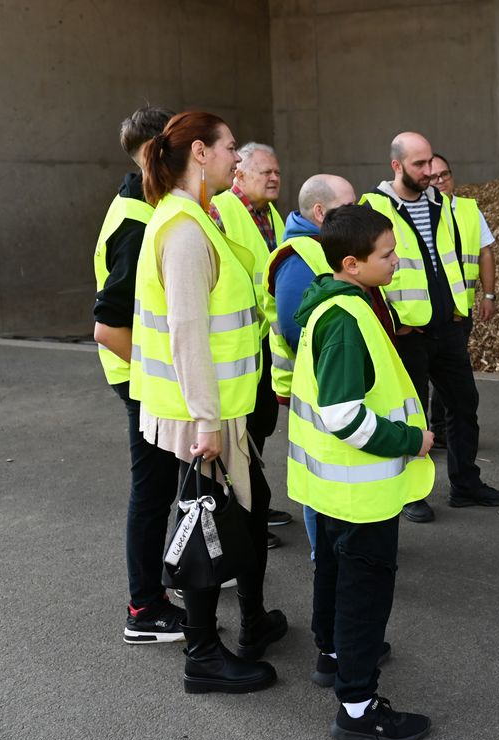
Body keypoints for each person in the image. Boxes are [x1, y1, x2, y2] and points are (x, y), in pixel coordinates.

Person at [132, 111, 287, 694]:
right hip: (205, 412)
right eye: (229, 149)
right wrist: (207, 422)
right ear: (200, 152)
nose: (236, 160)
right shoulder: (185, 228)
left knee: (232, 512)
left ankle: (246, 625)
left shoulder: (195, 218)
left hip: (220, 406)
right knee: (207, 518)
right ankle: (203, 652)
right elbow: (188, 332)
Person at [288, 203, 435, 740]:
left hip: (330, 487)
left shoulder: (331, 305)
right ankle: (357, 706)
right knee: (364, 591)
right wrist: (412, 440)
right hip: (360, 490)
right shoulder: (347, 321)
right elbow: (343, 415)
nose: (397, 262)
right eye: (388, 254)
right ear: (352, 263)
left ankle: (334, 655)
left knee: (332, 571)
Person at [360, 132, 499, 523]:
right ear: (396, 166)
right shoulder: (374, 208)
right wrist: (392, 324)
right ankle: (412, 493)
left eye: (431, 163)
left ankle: (465, 484)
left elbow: (457, 259)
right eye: (419, 165)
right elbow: (364, 274)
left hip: (448, 329)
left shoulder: (445, 205)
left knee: (464, 407)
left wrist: (465, 309)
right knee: (410, 417)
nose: (430, 172)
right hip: (407, 335)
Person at [93, 104, 187, 644]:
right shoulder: (137, 222)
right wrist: (161, 381)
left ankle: (169, 580)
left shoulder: (145, 206)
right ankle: (144, 609)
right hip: (139, 379)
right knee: (151, 492)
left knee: (160, 488)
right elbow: (108, 328)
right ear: (161, 151)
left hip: (146, 376)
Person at [262, 173, 358, 558]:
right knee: (321, 475)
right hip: (315, 384)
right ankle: (325, 556)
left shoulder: (322, 245)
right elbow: (292, 325)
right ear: (320, 212)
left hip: (323, 381)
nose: (357, 212)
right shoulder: (300, 257)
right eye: (348, 206)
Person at [210, 142, 292, 542]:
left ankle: (256, 506)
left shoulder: (272, 214)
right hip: (236, 344)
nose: (275, 178)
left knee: (259, 428)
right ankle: (241, 522)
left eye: (277, 172)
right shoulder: (220, 211)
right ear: (239, 174)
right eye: (265, 173)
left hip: (263, 340)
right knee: (237, 438)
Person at [425, 153, 498, 448]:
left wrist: (489, 294)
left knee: (451, 378)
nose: (441, 181)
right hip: (422, 309)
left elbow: (485, 252)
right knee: (421, 377)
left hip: (459, 309)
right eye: (433, 177)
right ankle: (428, 433)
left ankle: (443, 432)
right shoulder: (419, 211)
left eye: (445, 174)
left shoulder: (468, 209)